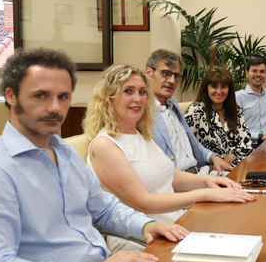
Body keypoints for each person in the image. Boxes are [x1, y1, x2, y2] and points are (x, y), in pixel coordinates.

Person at [0, 48, 188, 262]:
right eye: (41, 95)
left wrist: (145, 225)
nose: (55, 107)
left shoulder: (64, 152)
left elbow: (105, 210)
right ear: (11, 96)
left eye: (63, 97)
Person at [84, 64, 254, 225]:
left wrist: (207, 181)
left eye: (142, 92)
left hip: (175, 220)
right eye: (128, 91)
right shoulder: (104, 145)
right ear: (108, 97)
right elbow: (144, 203)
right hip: (145, 233)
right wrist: (206, 194)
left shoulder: (141, 135)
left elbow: (170, 175)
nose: (138, 99)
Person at [145, 49, 230, 174]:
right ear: (148, 72)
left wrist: (213, 157)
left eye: (176, 76)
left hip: (200, 171)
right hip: (177, 182)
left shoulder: (173, 105)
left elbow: (193, 143)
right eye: (166, 73)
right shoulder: (142, 112)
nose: (172, 81)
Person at [185, 67, 253, 167]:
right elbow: (186, 143)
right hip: (208, 169)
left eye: (224, 87)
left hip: (235, 165)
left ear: (229, 90)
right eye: (214, 86)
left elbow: (246, 143)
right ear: (206, 88)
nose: (219, 91)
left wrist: (232, 155)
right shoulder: (196, 110)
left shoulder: (236, 111)